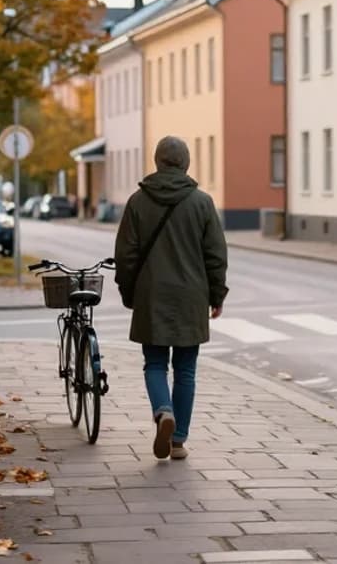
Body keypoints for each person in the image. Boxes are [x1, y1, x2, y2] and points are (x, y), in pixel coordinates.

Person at [114, 136, 228, 460]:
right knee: (186, 370)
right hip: (192, 296)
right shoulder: (202, 203)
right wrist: (217, 294)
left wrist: (128, 291)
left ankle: (163, 411)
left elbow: (125, 255)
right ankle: (177, 440)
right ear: (186, 163)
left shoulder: (138, 201)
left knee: (154, 364)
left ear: (157, 162)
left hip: (151, 295)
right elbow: (216, 255)